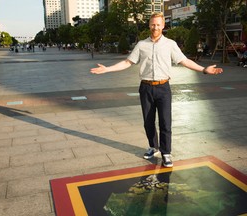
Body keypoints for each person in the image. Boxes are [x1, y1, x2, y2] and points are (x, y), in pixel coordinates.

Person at [90, 13, 223, 168]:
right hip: (145, 87)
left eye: (158, 24)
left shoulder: (170, 44)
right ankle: (153, 147)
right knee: (148, 122)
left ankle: (166, 152)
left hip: (163, 87)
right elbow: (128, 62)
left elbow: (184, 60)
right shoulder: (141, 45)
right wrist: (107, 69)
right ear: (149, 25)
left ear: (163, 26)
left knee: (165, 122)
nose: (155, 27)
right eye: (153, 24)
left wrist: (204, 70)